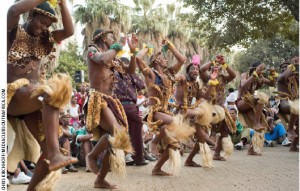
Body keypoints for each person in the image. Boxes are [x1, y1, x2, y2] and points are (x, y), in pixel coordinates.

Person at [7, 1, 77, 190]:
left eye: (48, 25)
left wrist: (62, 4)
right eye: (42, 22)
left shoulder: (45, 39)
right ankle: (55, 154)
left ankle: (50, 157)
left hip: (31, 101)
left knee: (46, 152)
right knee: (50, 92)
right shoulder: (12, 32)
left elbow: (69, 31)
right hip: (12, 96)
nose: (44, 27)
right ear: (31, 16)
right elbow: (14, 9)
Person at [84, 29, 138, 189]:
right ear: (101, 37)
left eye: (114, 38)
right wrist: (119, 45)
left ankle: (100, 179)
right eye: (110, 37)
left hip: (110, 101)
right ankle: (92, 156)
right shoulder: (93, 50)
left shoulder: (113, 57)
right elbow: (101, 60)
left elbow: (131, 71)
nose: (113, 39)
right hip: (98, 99)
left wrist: (133, 52)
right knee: (117, 133)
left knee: (115, 139)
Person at [136, 42, 195, 176]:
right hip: (154, 112)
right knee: (174, 122)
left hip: (165, 112)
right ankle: (153, 142)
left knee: (174, 145)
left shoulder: (168, 74)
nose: (167, 59)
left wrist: (170, 46)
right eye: (164, 57)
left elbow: (182, 59)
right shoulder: (151, 74)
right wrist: (147, 48)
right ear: (157, 59)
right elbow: (138, 59)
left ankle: (157, 169)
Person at [174, 56, 217, 167]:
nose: (196, 71)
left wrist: (212, 83)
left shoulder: (196, 84)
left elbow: (205, 97)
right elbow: (178, 78)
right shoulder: (183, 80)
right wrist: (177, 77)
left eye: (197, 69)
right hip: (179, 112)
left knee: (202, 138)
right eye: (192, 69)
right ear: (188, 71)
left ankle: (189, 160)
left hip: (190, 113)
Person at [200, 54, 237, 161]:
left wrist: (224, 63)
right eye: (214, 65)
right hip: (209, 108)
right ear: (211, 68)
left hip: (220, 108)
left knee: (224, 132)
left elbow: (233, 75)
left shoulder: (224, 79)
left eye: (218, 65)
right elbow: (202, 69)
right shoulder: (207, 77)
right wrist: (213, 61)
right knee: (210, 132)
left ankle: (216, 153)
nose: (217, 66)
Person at [236, 61, 277, 156]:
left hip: (252, 105)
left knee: (261, 126)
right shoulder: (244, 75)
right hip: (242, 102)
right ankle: (256, 122)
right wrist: (255, 73)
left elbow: (271, 83)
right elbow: (244, 85)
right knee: (261, 97)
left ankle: (251, 149)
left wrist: (272, 74)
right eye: (259, 69)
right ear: (253, 69)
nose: (261, 72)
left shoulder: (260, 78)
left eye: (262, 70)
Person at [114, 56, 149, 166]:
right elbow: (142, 85)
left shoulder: (111, 73)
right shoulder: (130, 74)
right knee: (136, 132)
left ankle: (119, 159)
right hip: (129, 107)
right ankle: (138, 158)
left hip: (115, 107)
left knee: (118, 132)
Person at [276, 57, 299, 151]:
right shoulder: (280, 77)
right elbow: (284, 76)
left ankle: (293, 145)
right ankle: (289, 129)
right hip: (282, 103)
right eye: (282, 67)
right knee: (295, 106)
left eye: (286, 66)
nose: (284, 68)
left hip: (294, 104)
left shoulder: (295, 78)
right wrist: (292, 65)